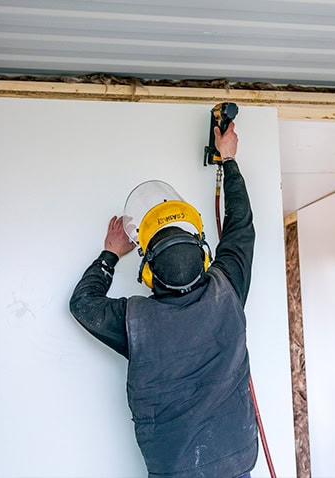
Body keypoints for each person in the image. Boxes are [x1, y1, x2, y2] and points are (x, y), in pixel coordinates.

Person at [69, 122, 257, 478]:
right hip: (236, 464)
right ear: (204, 258)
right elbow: (241, 225)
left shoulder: (135, 322)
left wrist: (109, 254)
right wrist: (228, 160)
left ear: (149, 273)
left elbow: (83, 304)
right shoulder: (228, 286)